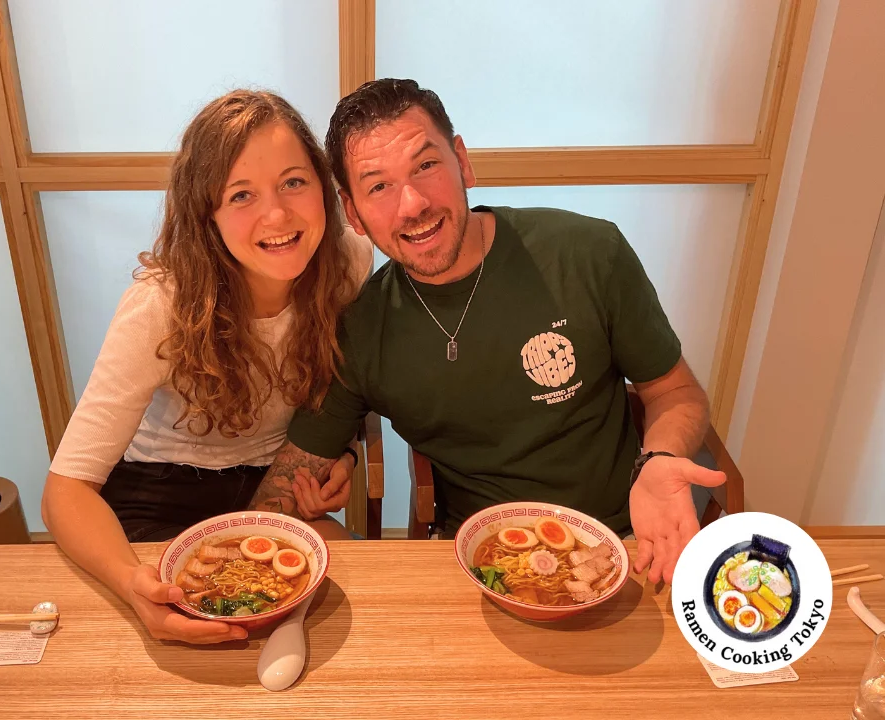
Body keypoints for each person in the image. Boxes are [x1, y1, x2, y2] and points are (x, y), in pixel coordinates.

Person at [247, 78, 726, 585]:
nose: (412, 205)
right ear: (353, 213)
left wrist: (661, 459)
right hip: (476, 567)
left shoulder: (587, 254)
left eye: (425, 166)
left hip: (629, 542)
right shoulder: (361, 328)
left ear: (462, 162)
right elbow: (283, 492)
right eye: (378, 187)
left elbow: (674, 390)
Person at [41, 90, 372, 645]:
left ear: (323, 186)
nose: (277, 215)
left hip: (274, 487)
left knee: (355, 608)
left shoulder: (349, 262)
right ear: (206, 215)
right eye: (241, 194)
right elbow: (65, 490)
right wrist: (129, 584)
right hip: (159, 495)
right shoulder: (160, 305)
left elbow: (348, 387)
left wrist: (343, 455)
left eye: (294, 181)